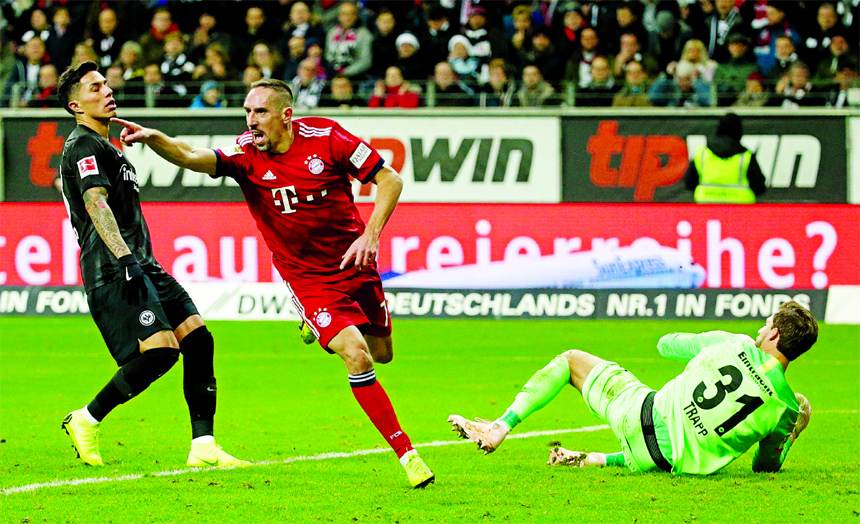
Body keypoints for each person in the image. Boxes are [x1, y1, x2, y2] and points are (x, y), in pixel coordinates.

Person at [109, 78, 435, 489]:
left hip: (355, 262)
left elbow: (390, 180)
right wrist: (155, 137)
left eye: (260, 112)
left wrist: (370, 233)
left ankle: (319, 327)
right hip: (307, 277)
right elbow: (191, 155)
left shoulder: (328, 137)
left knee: (382, 353)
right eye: (247, 112)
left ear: (286, 115)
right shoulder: (245, 153)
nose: (251, 121)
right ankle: (408, 454)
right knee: (357, 355)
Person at [56, 61, 247, 468]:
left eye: (106, 83)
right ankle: (86, 419)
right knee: (160, 352)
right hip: (112, 266)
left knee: (198, 340)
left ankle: (204, 446)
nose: (107, 90)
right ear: (75, 105)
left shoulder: (111, 147)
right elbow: (95, 202)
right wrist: (124, 258)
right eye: (94, 87)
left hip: (144, 262)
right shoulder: (82, 146)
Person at [449, 300, 816, 476]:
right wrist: (795, 429)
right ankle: (593, 459)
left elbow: (666, 344)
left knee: (571, 360)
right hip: (659, 464)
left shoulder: (731, 342)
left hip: (634, 414)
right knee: (675, 446)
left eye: (764, 324)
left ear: (773, 333)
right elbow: (764, 466)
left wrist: (703, 346)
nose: (758, 329)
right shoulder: (786, 409)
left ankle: (501, 426)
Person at [684, 113, 766, 203]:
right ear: (739, 131)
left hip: (706, 203)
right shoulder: (745, 156)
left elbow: (689, 183)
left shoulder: (702, 152)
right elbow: (759, 187)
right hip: (740, 206)